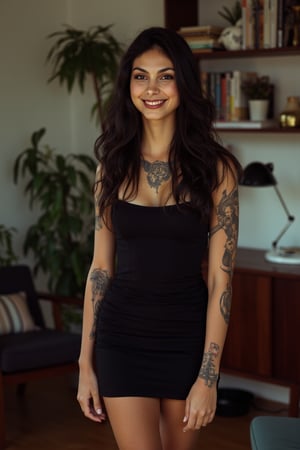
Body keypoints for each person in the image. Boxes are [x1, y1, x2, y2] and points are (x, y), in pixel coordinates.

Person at [77, 26, 241, 450]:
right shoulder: (110, 167)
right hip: (120, 338)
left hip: (186, 341)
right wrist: (84, 365)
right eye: (140, 75)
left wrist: (209, 375)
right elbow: (100, 269)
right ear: (127, 84)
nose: (152, 88)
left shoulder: (217, 170)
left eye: (165, 76)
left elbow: (221, 281)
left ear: (183, 83)